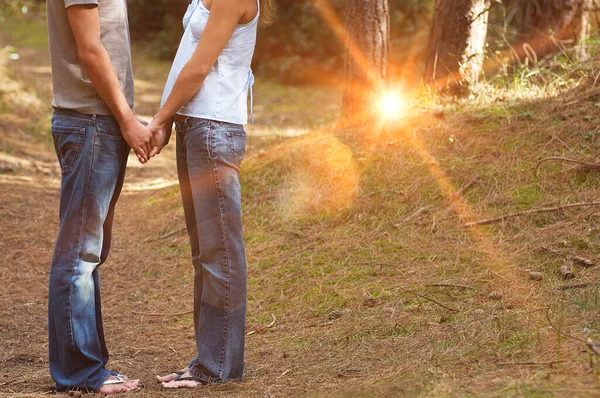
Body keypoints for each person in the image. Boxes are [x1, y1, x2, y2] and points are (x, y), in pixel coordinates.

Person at [149, 0, 275, 389]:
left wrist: (160, 118)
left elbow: (201, 67)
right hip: (195, 126)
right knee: (206, 252)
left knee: (220, 251)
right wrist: (172, 118)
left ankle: (219, 366)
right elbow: (187, 55)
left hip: (214, 128)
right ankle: (208, 359)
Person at [46, 0, 154, 393]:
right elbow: (90, 50)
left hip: (99, 119)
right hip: (90, 121)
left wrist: (124, 114)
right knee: (79, 254)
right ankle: (80, 373)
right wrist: (126, 120)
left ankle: (83, 367)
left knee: (86, 253)